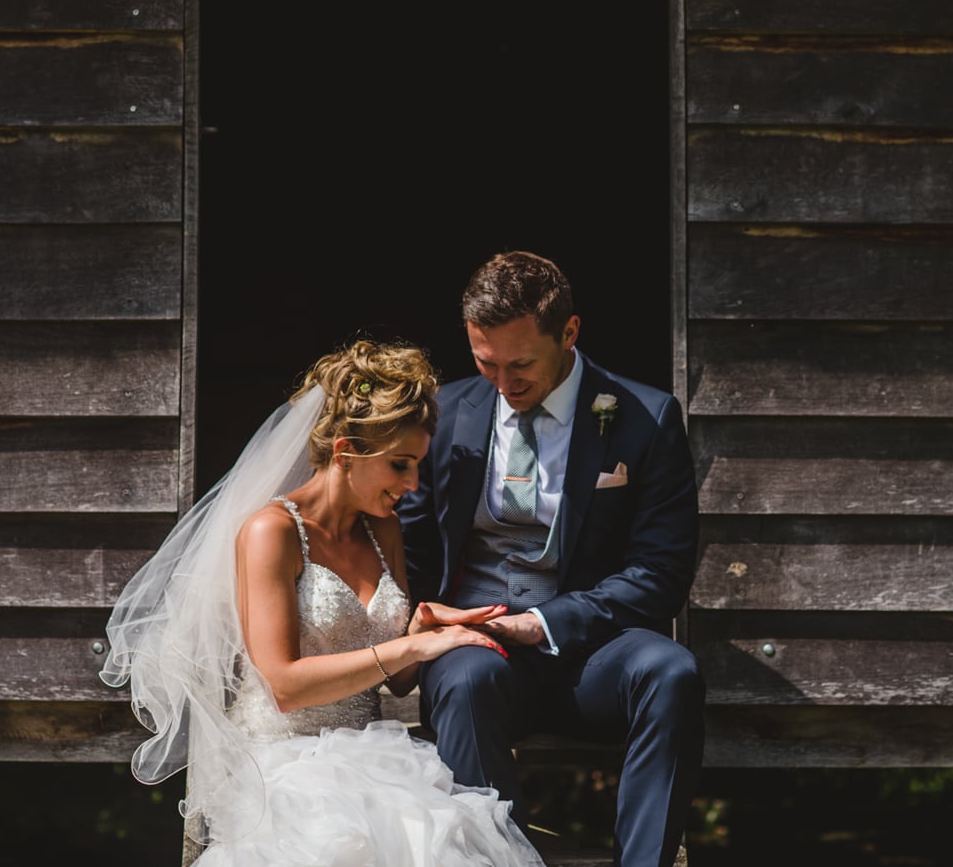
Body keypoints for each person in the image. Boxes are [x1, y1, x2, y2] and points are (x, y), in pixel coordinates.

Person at [100, 338, 546, 866]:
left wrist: (421, 625)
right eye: (401, 465)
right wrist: (411, 651)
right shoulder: (271, 532)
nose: (412, 484)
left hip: (372, 756)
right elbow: (285, 686)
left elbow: (398, 680)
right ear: (345, 453)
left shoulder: (385, 530)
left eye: (417, 467)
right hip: (283, 763)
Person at [398, 250, 704, 867]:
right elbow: (410, 544)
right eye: (485, 362)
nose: (504, 384)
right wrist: (421, 623)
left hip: (593, 651)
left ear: (569, 333)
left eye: (521, 365)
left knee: (672, 672)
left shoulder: (644, 419)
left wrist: (542, 623)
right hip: (477, 648)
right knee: (463, 679)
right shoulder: (448, 412)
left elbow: (660, 575)